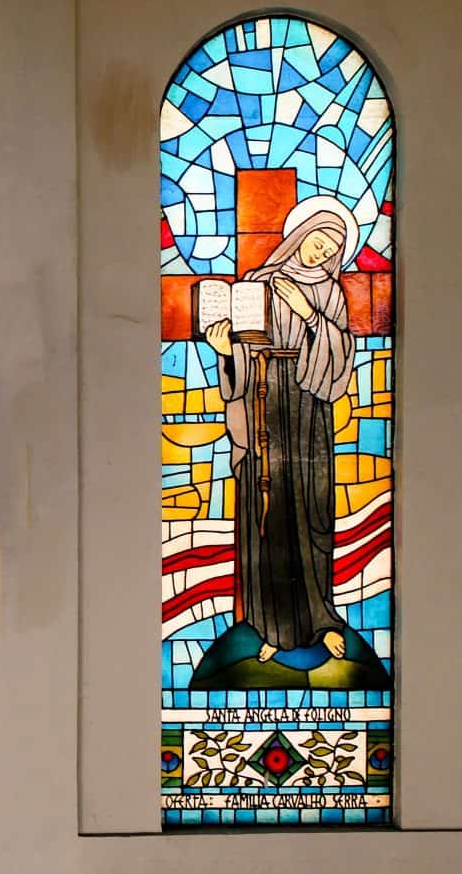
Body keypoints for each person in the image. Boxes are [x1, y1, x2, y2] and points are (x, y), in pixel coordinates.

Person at [205, 196, 357, 666]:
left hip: (308, 412)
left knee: (308, 510)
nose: (321, 252)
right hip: (263, 403)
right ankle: (271, 626)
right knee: (266, 513)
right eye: (318, 239)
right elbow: (247, 356)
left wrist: (308, 314)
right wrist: (225, 351)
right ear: (300, 235)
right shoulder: (258, 286)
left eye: (332, 246)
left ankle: (319, 619)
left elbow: (340, 355)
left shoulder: (331, 293)